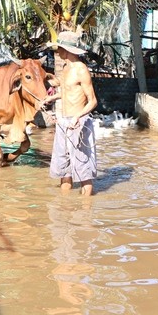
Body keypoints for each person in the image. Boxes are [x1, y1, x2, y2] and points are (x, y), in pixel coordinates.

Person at [48, 31, 99, 195]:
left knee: (83, 170)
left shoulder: (81, 70)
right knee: (64, 170)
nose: (57, 52)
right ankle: (64, 208)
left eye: (59, 48)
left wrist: (78, 116)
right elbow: (66, 92)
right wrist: (50, 99)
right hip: (63, 122)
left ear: (67, 49)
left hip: (78, 122)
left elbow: (93, 101)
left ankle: (85, 215)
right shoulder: (65, 67)